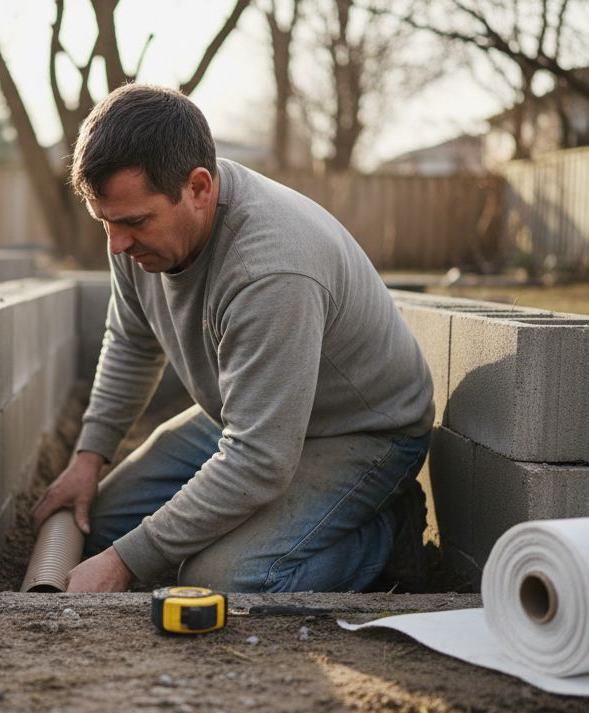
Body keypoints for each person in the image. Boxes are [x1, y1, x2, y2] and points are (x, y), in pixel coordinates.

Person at [30, 83, 434, 594]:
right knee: (105, 526)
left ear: (199, 188)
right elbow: (133, 343)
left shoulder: (270, 269)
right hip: (253, 414)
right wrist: (89, 458)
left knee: (225, 578)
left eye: (134, 221)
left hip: (363, 431)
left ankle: (384, 534)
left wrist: (127, 564)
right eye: (104, 222)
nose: (116, 244)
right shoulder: (135, 240)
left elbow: (260, 460)